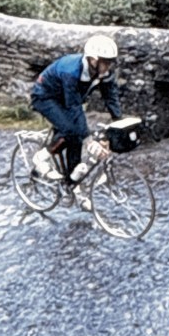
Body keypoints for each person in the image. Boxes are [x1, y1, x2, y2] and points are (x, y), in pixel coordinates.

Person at [30, 35, 122, 210]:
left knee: (75, 140)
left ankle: (72, 185)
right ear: (93, 60)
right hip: (46, 97)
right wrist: (89, 140)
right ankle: (41, 157)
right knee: (72, 131)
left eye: (111, 62)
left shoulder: (103, 73)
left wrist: (118, 122)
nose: (108, 67)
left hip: (67, 99)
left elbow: (111, 96)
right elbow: (74, 107)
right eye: (106, 62)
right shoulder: (71, 71)